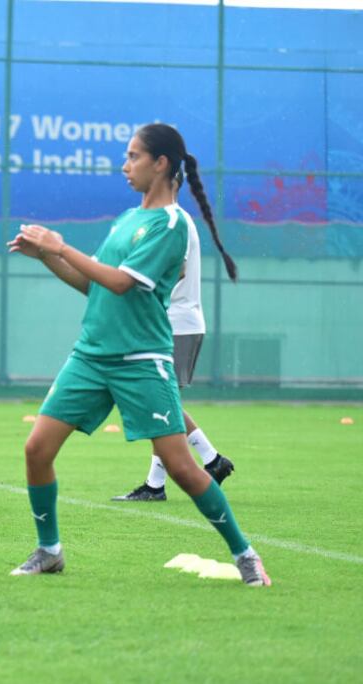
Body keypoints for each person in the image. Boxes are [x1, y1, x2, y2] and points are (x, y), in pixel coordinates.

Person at [7, 123, 270, 586]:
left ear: (161, 163)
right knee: (36, 448)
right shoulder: (127, 219)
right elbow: (95, 287)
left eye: (133, 157)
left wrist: (61, 245)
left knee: (183, 470)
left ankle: (245, 555)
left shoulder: (171, 224)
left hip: (140, 361)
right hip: (91, 356)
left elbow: (122, 283)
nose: (125, 165)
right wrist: (47, 258)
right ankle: (49, 550)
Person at [113, 189, 237, 501]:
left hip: (175, 324)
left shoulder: (174, 223)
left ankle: (207, 461)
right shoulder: (173, 221)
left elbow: (173, 272)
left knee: (161, 404)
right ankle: (184, 472)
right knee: (162, 406)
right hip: (175, 323)